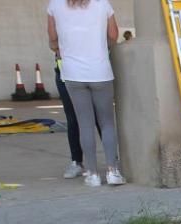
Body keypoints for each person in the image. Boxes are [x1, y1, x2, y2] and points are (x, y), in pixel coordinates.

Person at [47, 0, 126, 187]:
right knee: (107, 123)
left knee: (85, 124)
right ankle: (113, 171)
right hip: (100, 71)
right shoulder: (102, 4)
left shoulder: (54, 5)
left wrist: (64, 49)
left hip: (73, 73)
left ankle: (92, 174)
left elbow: (52, 40)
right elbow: (114, 35)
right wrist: (98, 48)